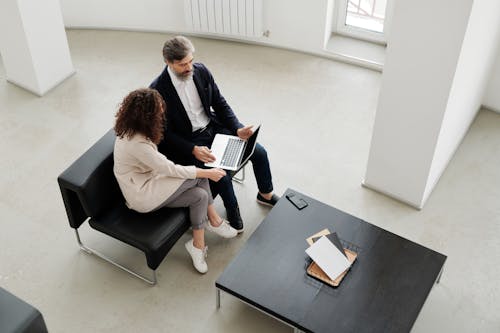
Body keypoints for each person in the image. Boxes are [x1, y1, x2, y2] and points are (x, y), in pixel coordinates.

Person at [150, 36, 280, 233]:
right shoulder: (157, 90)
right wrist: (192, 149)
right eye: (182, 64)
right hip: (190, 141)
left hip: (213, 126)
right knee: (222, 175)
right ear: (168, 62)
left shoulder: (200, 70)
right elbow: (163, 134)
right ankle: (232, 210)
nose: (189, 67)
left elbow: (219, 103)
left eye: (190, 61)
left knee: (258, 151)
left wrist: (236, 128)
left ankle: (265, 194)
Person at [113, 88, 238, 274]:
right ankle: (214, 220)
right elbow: (169, 169)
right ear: (147, 116)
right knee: (199, 175)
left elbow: (162, 167)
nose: (162, 113)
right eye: (158, 111)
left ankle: (197, 245)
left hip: (151, 181)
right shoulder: (137, 143)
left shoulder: (136, 129)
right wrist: (208, 173)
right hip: (142, 195)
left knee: (199, 196)